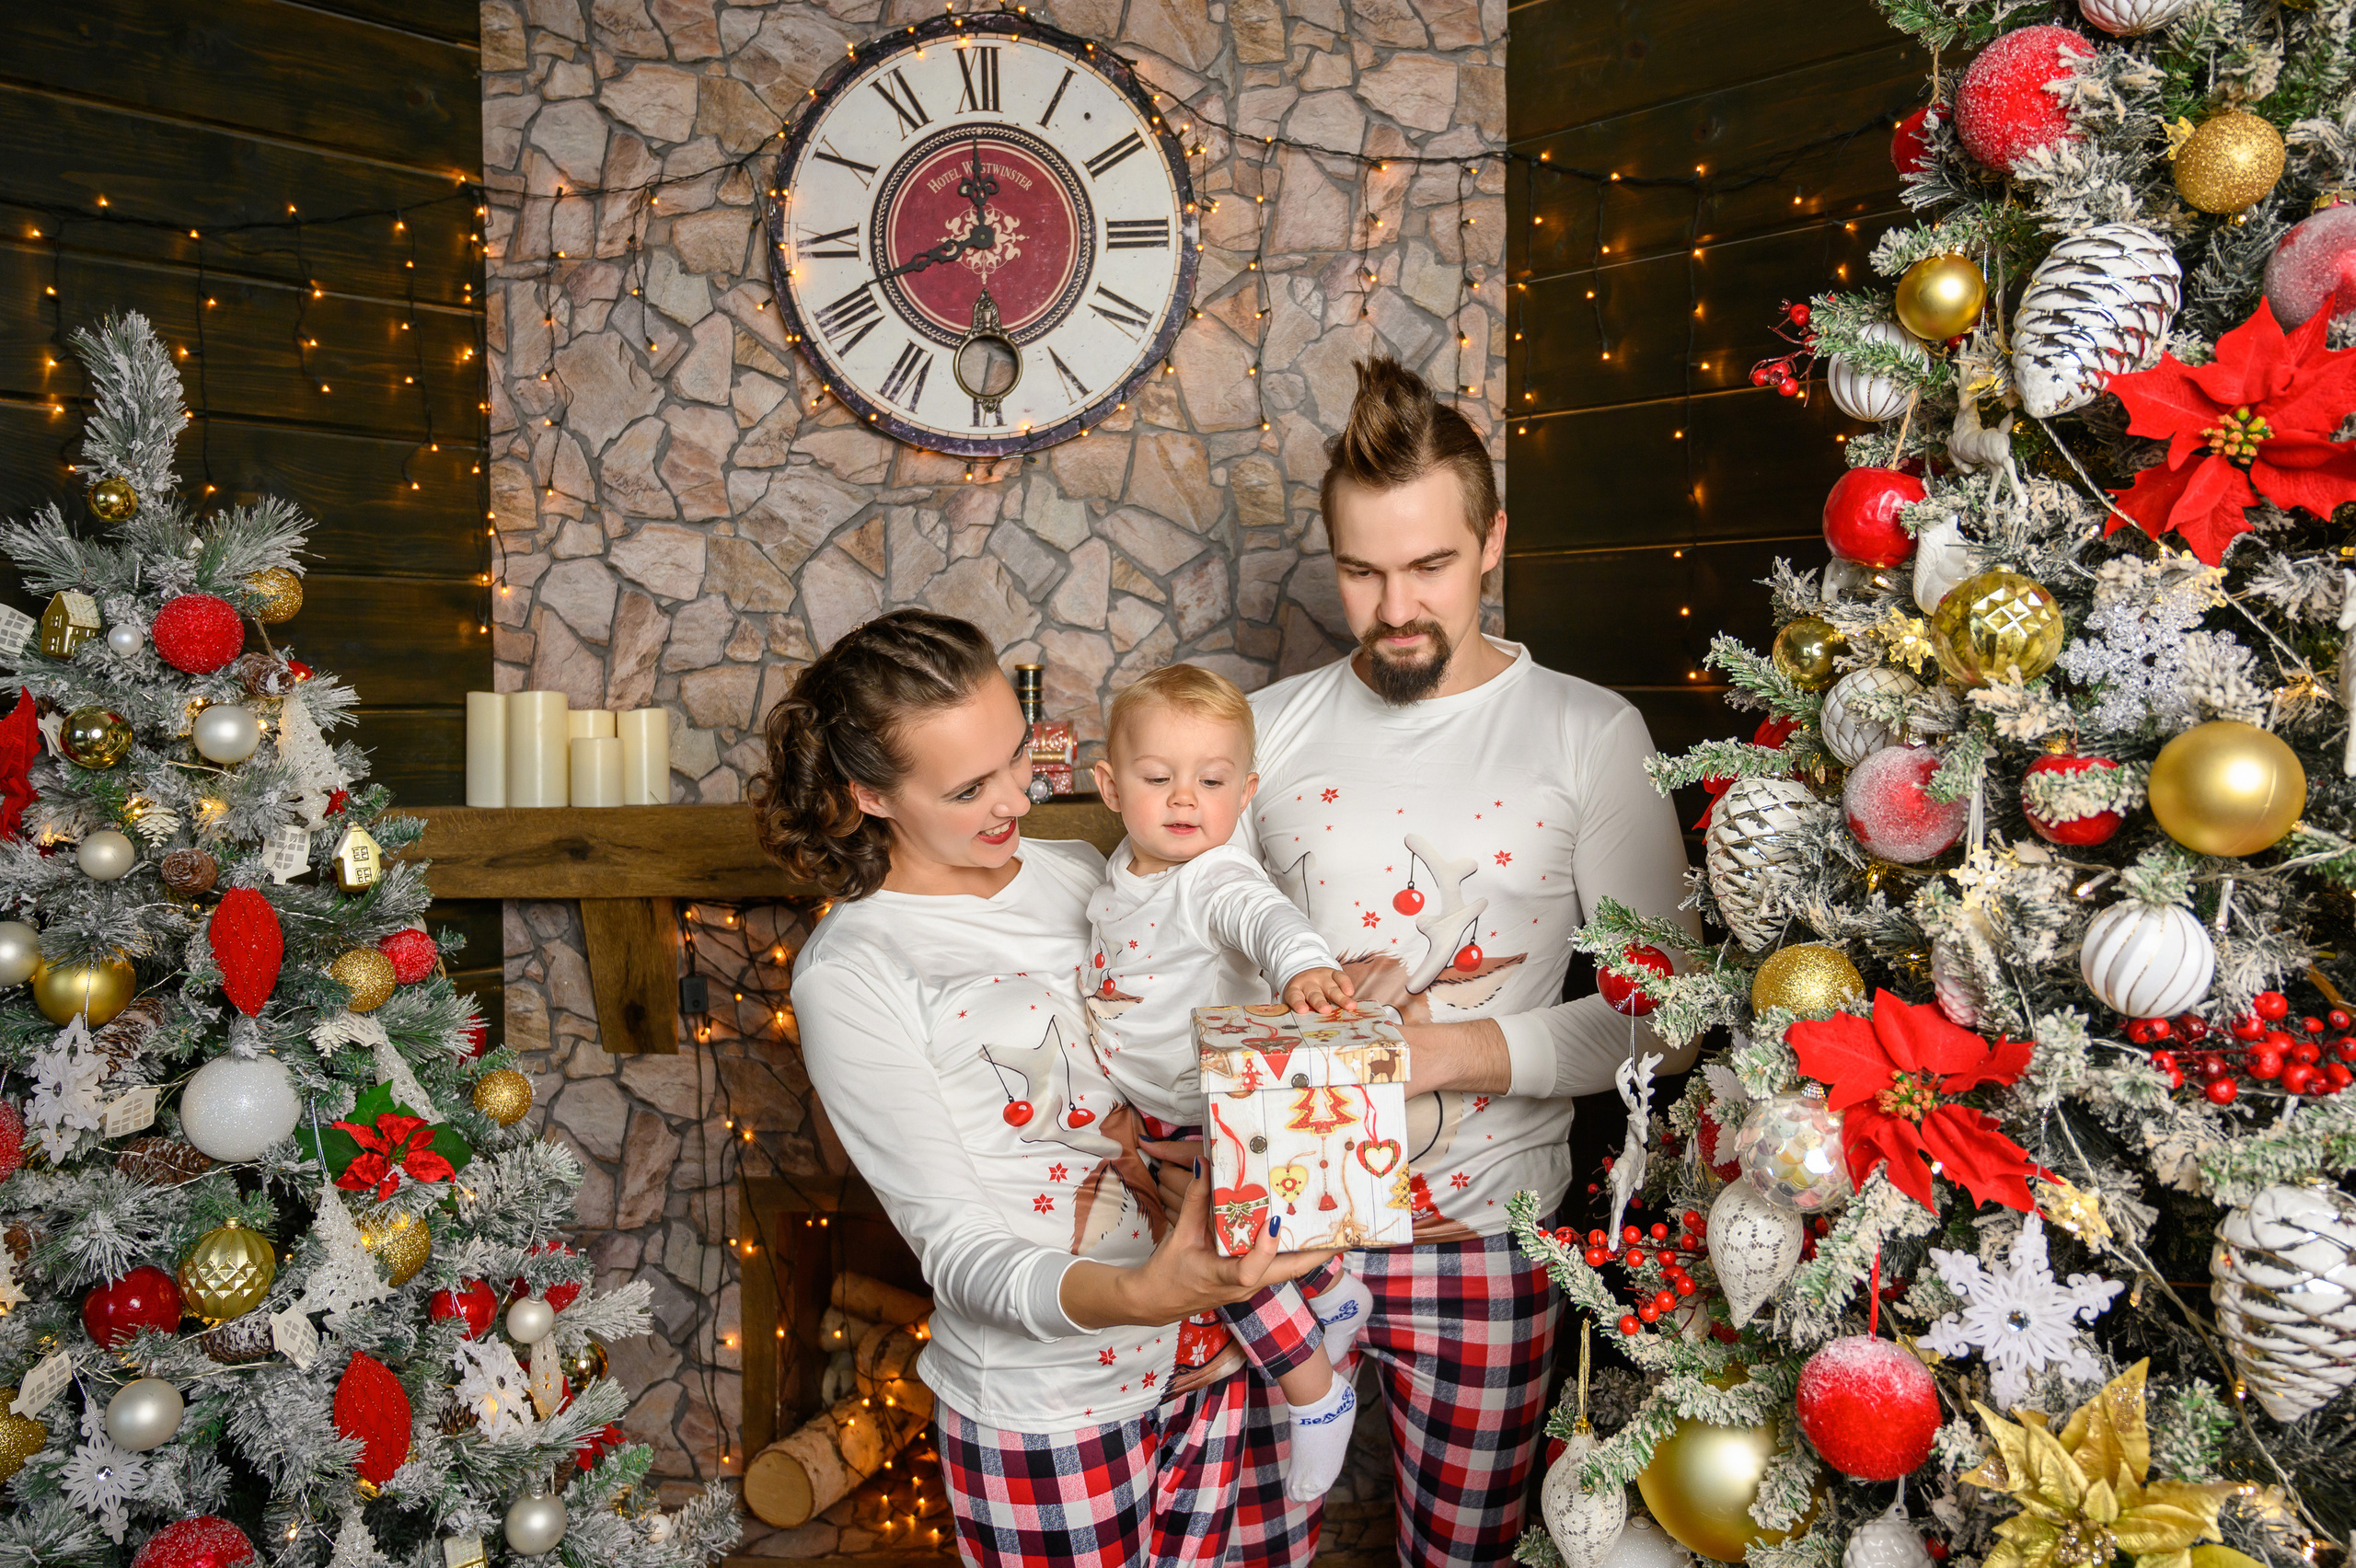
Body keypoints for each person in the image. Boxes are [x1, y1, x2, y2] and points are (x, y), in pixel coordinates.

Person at [1231, 358, 1701, 1565]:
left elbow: (1667, 1022)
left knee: (1465, 1558)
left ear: (1492, 543)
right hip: (1280, 1239)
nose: (1396, 607)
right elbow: (1185, 965)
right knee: (1240, 1548)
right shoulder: (1259, 732)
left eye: (1430, 565)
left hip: (1488, 1244)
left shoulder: (1589, 732)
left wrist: (1441, 1052)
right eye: (1361, 571)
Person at [752, 608, 1337, 1568]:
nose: (1014, 800)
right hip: (1050, 1411)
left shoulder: (1087, 874)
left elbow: (1185, 1036)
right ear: (869, 795)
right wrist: (1141, 1293)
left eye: (1017, 756)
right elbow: (960, 1254)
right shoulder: (853, 972)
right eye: (968, 788)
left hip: (1208, 1356)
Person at [1080, 663, 1372, 1504]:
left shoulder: (1213, 875)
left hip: (1221, 1110)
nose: (1185, 799)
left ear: (1244, 794)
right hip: (1163, 1113)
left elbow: (1266, 916)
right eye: (1157, 779)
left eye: (1210, 782)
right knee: (1240, 1249)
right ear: (1110, 787)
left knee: (1226, 1263)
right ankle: (1333, 1293)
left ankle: (1316, 1395)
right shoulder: (1122, 873)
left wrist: (1303, 966)